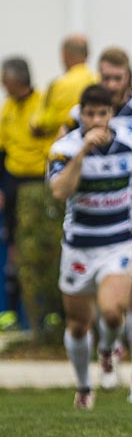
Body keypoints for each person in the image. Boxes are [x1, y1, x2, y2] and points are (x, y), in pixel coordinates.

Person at [47, 85, 132, 410]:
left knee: (112, 311)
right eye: (89, 114)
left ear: (111, 114)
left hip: (117, 242)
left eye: (101, 114)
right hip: (78, 247)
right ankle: (83, 386)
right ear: (81, 115)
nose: (95, 121)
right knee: (77, 323)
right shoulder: (64, 148)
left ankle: (107, 350)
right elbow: (60, 191)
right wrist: (82, 154)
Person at [0, 57, 56, 328]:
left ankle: (49, 313)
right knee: (13, 245)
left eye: (4, 78)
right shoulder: (7, 107)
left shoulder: (43, 102)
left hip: (39, 180)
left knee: (43, 244)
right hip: (13, 180)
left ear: (17, 79)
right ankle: (10, 312)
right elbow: (1, 150)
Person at [30, 36, 97, 138]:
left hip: (62, 144)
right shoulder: (99, 80)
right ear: (87, 55)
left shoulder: (58, 84)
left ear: (64, 54)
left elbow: (39, 122)